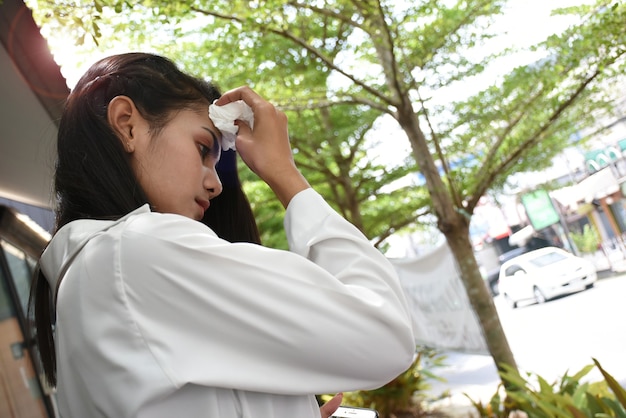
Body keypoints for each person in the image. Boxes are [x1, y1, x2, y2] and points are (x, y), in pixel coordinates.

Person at [29, 52, 416, 418]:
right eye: (202, 149)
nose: (216, 185)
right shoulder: (137, 251)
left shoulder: (93, 271)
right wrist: (285, 174)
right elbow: (385, 336)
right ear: (127, 123)